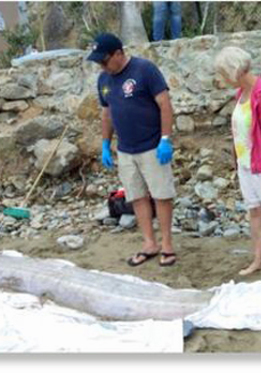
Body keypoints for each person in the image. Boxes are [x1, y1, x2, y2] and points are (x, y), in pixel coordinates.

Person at [87, 33, 177, 267]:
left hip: (152, 146)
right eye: (99, 63)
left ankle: (167, 244)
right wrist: (106, 144)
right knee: (136, 197)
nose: (102, 66)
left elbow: (164, 104)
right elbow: (106, 113)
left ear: (118, 54)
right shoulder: (104, 80)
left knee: (161, 195)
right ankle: (150, 243)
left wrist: (165, 138)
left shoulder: (144, 70)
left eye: (104, 61)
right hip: (126, 150)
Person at [214, 46, 261, 280]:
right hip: (246, 163)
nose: (222, 80)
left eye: (223, 74)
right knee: (255, 211)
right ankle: (258, 259)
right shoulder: (242, 93)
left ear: (234, 71)